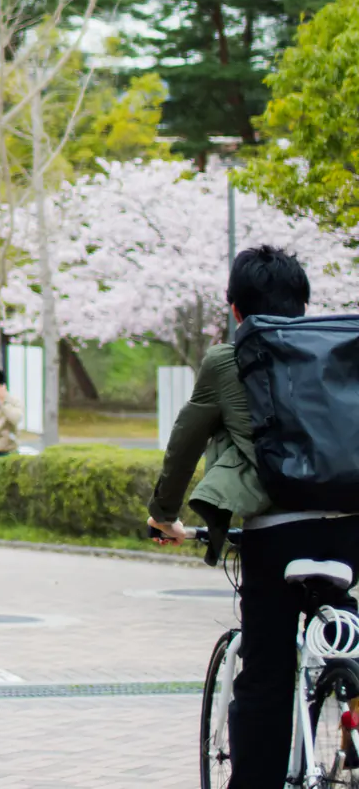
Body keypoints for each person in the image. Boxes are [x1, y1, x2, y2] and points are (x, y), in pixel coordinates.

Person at [150, 245, 357, 789]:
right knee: (345, 636)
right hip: (352, 529)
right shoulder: (342, 352)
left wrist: (163, 514)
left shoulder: (226, 360)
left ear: (235, 310)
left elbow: (184, 444)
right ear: (304, 304)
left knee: (266, 675)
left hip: (277, 538)